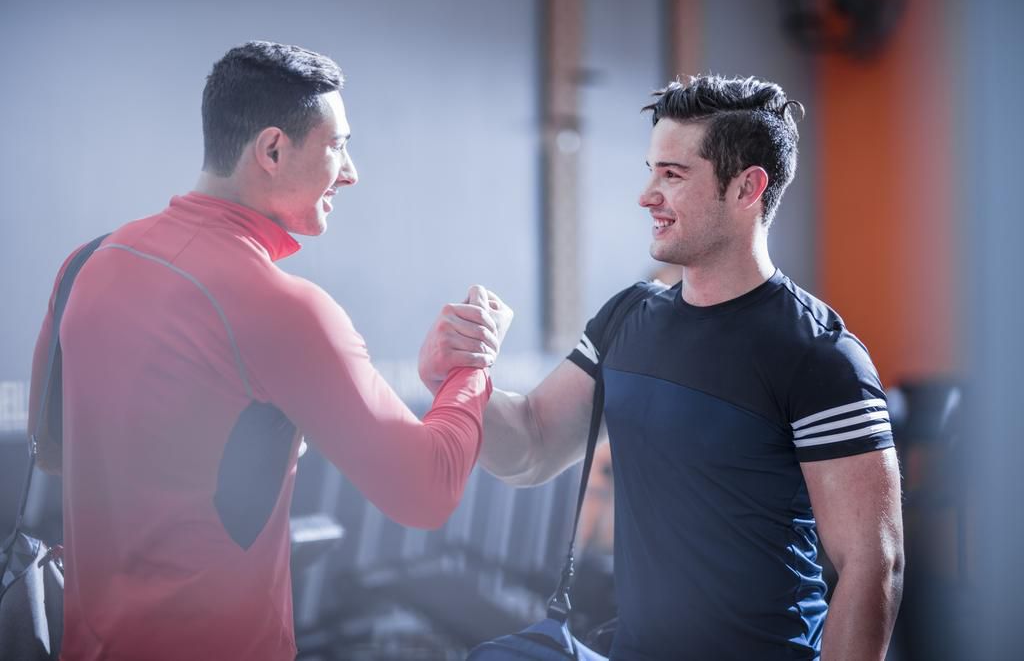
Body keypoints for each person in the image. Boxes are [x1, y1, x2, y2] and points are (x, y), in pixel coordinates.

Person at [27, 41, 510, 660]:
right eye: (338, 145)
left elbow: (50, 449)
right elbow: (426, 491)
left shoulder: (86, 263)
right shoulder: (284, 308)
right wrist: (472, 367)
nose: (352, 170)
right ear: (273, 149)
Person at [420, 75, 904, 660]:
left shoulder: (819, 356)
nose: (647, 194)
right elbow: (530, 447)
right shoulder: (628, 318)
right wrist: (455, 378)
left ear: (748, 187)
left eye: (672, 175)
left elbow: (873, 562)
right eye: (651, 170)